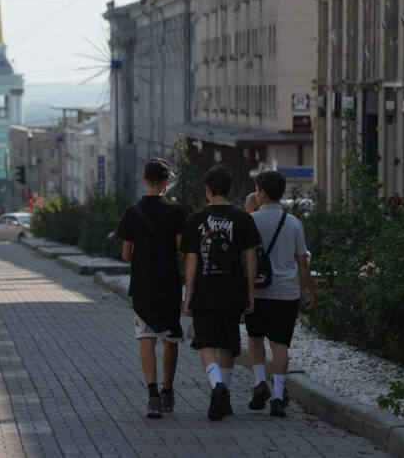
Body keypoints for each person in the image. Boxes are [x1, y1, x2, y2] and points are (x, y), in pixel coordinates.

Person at [182, 165, 260, 421]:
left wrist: (188, 293)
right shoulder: (243, 219)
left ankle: (217, 385)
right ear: (230, 189)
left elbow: (191, 259)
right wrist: (250, 291)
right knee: (228, 341)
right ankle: (224, 394)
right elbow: (250, 257)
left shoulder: (195, 220)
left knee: (205, 341)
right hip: (233, 290)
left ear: (207, 189)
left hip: (205, 290)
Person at [117, 159, 186, 419]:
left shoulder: (133, 212)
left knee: (146, 338)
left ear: (145, 181)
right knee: (170, 338)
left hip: (143, 285)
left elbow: (126, 254)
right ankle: (168, 390)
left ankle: (153, 395)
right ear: (166, 182)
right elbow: (181, 248)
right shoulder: (176, 211)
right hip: (169, 284)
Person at [245, 170, 317, 417]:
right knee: (280, 344)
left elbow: (244, 257)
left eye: (257, 189)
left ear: (263, 192)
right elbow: (302, 262)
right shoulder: (294, 223)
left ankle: (259, 382)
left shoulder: (250, 220)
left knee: (255, 337)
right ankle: (278, 396)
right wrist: (308, 290)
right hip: (286, 292)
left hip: (257, 291)